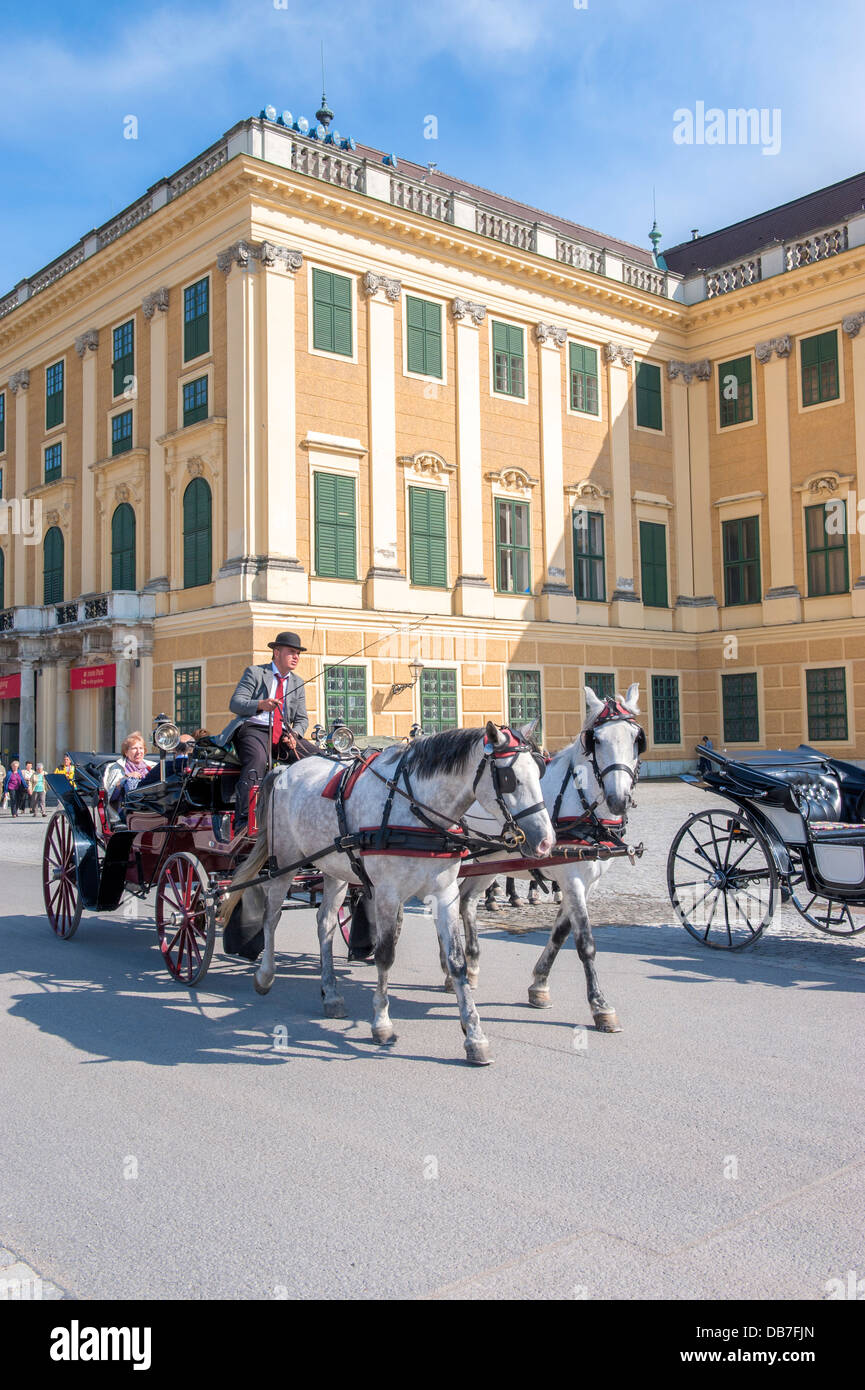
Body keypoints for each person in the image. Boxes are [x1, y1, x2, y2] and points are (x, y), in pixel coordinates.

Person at [220, 631, 315, 838]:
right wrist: (260, 705)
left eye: (298, 653)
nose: (296, 657)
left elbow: (301, 719)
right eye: (292, 652)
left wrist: (296, 735)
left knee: (317, 758)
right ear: (277, 652)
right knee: (257, 760)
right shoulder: (255, 673)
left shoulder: (297, 682)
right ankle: (245, 823)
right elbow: (235, 704)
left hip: (283, 735)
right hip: (254, 728)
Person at [103, 732, 154, 820]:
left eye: (141, 748)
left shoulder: (152, 767)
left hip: (151, 809)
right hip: (125, 811)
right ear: (126, 752)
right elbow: (110, 796)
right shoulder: (116, 768)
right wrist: (125, 778)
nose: (139, 752)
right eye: (134, 748)